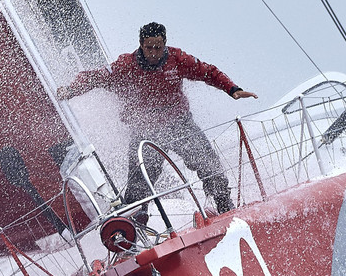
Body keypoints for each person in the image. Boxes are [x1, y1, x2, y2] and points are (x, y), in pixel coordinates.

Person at [57, 22, 256, 220]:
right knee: (138, 185)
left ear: (165, 45)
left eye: (158, 47)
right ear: (141, 45)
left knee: (209, 165)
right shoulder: (126, 65)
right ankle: (134, 228)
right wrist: (71, 90)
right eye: (149, 47)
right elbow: (94, 77)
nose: (154, 53)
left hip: (179, 123)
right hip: (145, 130)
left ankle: (226, 209)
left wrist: (232, 89)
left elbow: (208, 71)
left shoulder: (178, 59)